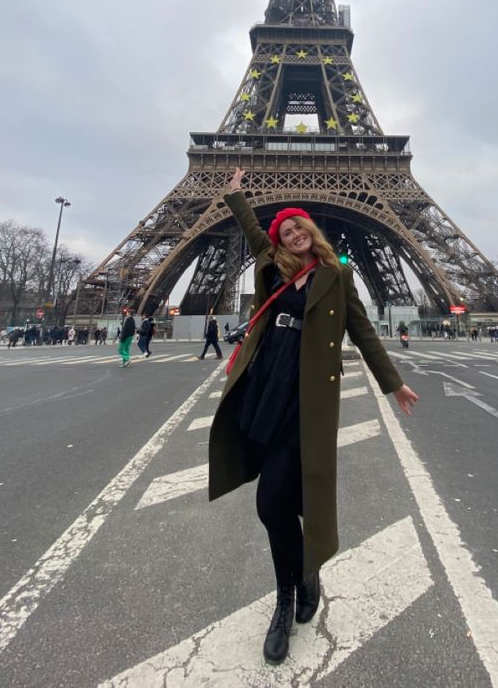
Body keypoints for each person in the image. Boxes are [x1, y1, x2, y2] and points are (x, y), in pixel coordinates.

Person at [209, 168, 418, 666]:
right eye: (286, 232)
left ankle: (285, 601)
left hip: (305, 402)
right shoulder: (271, 264)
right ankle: (301, 579)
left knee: (274, 499)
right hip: (265, 392)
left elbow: (364, 331)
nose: (294, 236)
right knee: (272, 507)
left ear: (312, 232)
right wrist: (237, 195)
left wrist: (393, 383)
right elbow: (252, 231)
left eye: (299, 229)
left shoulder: (337, 275)